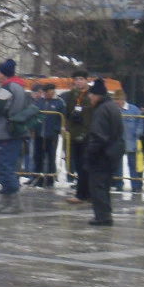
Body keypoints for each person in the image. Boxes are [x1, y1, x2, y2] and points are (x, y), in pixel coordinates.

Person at [84, 78, 124, 226]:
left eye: (91, 95)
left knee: (97, 186)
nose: (90, 98)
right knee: (105, 186)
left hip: (102, 154)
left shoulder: (101, 110)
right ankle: (105, 214)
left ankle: (102, 216)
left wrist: (90, 154)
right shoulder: (112, 106)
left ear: (97, 95)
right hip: (112, 152)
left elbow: (98, 137)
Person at [0, 59, 27, 213]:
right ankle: (5, 201)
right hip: (13, 131)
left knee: (5, 167)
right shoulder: (19, 86)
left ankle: (14, 203)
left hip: (5, 131)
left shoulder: (7, 87)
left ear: (4, 73)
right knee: (6, 166)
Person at [63, 70, 93, 203]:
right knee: (79, 165)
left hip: (88, 133)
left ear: (86, 80)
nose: (78, 82)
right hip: (75, 133)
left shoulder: (91, 94)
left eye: (81, 79)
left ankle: (87, 193)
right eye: (76, 79)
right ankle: (82, 193)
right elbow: (67, 112)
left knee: (87, 164)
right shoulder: (72, 95)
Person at [32, 82, 63, 187]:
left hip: (51, 135)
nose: (45, 94)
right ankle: (38, 178)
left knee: (51, 157)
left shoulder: (59, 102)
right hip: (39, 133)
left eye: (48, 92)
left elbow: (62, 118)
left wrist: (56, 130)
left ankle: (50, 179)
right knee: (38, 156)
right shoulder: (39, 102)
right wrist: (34, 128)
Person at [113, 89, 144, 192]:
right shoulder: (113, 109)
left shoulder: (133, 109)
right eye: (115, 99)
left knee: (133, 164)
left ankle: (135, 185)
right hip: (118, 141)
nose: (116, 102)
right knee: (118, 164)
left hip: (131, 140)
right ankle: (119, 184)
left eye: (118, 99)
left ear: (123, 99)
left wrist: (138, 133)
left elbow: (140, 121)